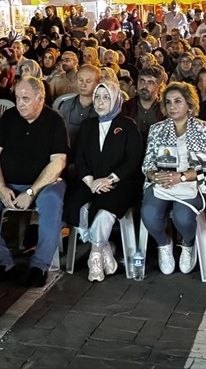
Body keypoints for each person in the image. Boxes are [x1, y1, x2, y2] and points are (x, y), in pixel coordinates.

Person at [0, 77, 68, 287]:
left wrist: (31, 192)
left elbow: (58, 162)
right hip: (8, 182)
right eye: (17, 98)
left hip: (43, 185)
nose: (20, 103)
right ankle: (2, 261)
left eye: (26, 98)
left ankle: (40, 265)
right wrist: (1, 187)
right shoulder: (9, 116)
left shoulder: (55, 120)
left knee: (52, 203)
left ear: (40, 98)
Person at [64, 80, 144, 282]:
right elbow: (80, 157)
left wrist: (109, 179)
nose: (100, 102)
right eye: (97, 97)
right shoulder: (88, 125)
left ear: (116, 100)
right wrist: (91, 182)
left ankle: (95, 256)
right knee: (76, 205)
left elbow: (134, 158)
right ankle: (104, 248)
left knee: (104, 212)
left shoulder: (127, 125)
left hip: (121, 183)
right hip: (91, 181)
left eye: (106, 97)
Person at [141, 82, 206, 276]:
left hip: (191, 182)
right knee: (149, 214)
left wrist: (180, 176)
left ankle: (188, 243)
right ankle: (164, 244)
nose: (172, 106)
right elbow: (148, 163)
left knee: (183, 217)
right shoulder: (157, 129)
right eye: (168, 102)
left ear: (189, 105)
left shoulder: (202, 128)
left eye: (178, 101)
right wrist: (154, 175)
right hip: (162, 182)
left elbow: (205, 166)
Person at [120, 65, 167, 140]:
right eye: (142, 81)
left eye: (150, 82)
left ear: (159, 87)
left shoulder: (166, 110)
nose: (144, 86)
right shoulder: (126, 107)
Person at [56, 64, 99, 143]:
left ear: (97, 83)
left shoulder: (102, 108)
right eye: (80, 80)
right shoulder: (65, 106)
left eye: (88, 81)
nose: (83, 85)